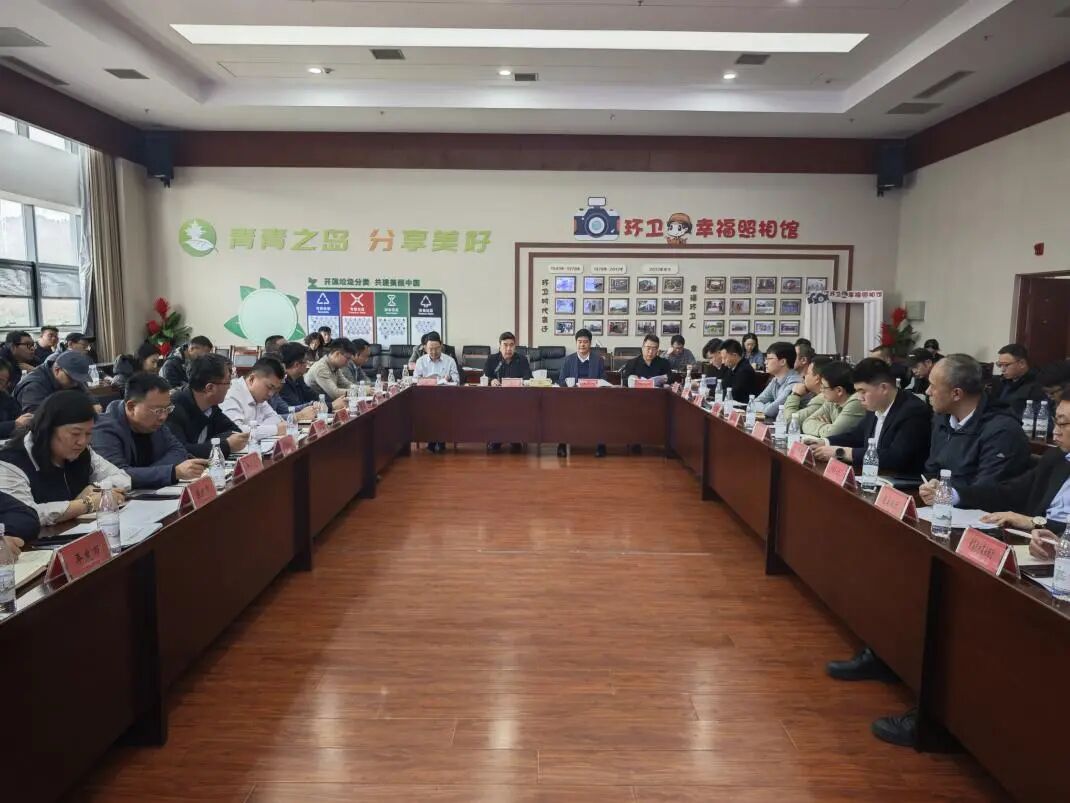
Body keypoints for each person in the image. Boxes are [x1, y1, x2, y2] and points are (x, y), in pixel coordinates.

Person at [924, 384, 1069, 537]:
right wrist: (951, 494)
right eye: (1055, 421)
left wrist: (1033, 522)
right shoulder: (1056, 458)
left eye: (1063, 424)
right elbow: (1009, 492)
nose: (1055, 431)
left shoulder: (1002, 428)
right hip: (1038, 542)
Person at [0, 390, 131, 525]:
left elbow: (122, 477)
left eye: (88, 434)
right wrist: (87, 503)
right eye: (75, 433)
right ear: (48, 429)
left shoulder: (82, 451)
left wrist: (96, 487)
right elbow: (25, 515)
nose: (82, 441)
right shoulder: (10, 463)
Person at [922, 353, 1031, 492]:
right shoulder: (942, 419)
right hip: (941, 500)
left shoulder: (1002, 431)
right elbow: (932, 469)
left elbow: (986, 491)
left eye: (933, 386)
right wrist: (930, 487)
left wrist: (946, 494)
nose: (927, 392)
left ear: (956, 394)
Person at [813, 358, 931, 474]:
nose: (859, 398)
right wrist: (824, 442)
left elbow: (895, 457)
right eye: (857, 392)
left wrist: (842, 452)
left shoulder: (913, 411)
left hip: (901, 481)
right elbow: (856, 436)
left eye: (863, 391)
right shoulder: (875, 406)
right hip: (873, 475)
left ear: (883, 388)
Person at [91, 373, 204, 489]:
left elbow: (179, 451)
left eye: (167, 409)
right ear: (131, 407)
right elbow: (118, 475)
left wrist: (148, 473)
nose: (163, 416)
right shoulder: (103, 429)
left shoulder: (153, 423)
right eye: (158, 410)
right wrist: (172, 472)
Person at [165, 354, 249, 460]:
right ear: (210, 388)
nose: (229, 387)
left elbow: (234, 431)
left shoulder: (211, 407)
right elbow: (180, 452)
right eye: (228, 383)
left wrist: (208, 446)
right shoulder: (173, 409)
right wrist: (224, 445)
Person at [556, 329, 607, 459]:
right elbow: (561, 381)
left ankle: (601, 445)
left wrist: (596, 385)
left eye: (585, 342)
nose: (582, 344)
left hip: (593, 398)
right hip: (572, 397)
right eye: (579, 342)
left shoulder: (598, 360)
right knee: (562, 410)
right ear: (576, 343)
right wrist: (569, 384)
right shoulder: (568, 360)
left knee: (602, 410)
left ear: (590, 343)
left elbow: (604, 380)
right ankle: (562, 444)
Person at [484, 332, 534, 454]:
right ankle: (496, 439)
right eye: (505, 345)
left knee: (516, 409)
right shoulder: (492, 359)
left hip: (517, 399)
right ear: (499, 346)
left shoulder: (522, 360)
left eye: (511, 345)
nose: (508, 348)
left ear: (515, 346)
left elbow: (528, 378)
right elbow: (485, 377)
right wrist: (491, 380)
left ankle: (515, 438)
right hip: (496, 399)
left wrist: (523, 382)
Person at [221, 357, 288, 441]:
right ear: (252, 379)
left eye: (275, 389)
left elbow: (276, 418)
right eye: (269, 387)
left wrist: (256, 429)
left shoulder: (258, 396)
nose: (271, 394)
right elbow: (236, 433)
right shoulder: (231, 394)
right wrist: (275, 429)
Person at [794, 361, 865, 439]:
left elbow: (832, 434)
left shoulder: (856, 402)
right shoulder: (831, 401)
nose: (821, 390)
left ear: (839, 391)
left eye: (824, 387)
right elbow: (806, 423)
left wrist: (828, 429)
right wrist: (827, 427)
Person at [414, 333, 459, 454]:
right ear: (425, 348)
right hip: (425, 398)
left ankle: (437, 441)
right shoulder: (420, 361)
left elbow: (457, 380)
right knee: (430, 409)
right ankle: (434, 441)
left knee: (440, 409)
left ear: (441, 346)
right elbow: (415, 380)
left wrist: (449, 377)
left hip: (445, 397)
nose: (433, 352)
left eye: (436, 348)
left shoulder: (450, 361)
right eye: (430, 349)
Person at [14, 350, 93, 414]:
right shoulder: (34, 387)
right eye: (72, 378)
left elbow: (86, 394)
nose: (76, 383)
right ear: (57, 370)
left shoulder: (71, 379)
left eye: (79, 379)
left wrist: (93, 404)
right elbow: (38, 418)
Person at [753, 341, 803, 421]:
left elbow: (771, 411)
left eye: (769, 359)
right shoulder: (775, 379)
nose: (765, 362)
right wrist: (769, 405)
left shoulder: (794, 383)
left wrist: (767, 405)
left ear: (782, 362)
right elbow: (755, 402)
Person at [989, 343, 1043, 416]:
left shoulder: (1036, 384)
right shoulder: (1001, 381)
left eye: (1006, 365)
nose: (1002, 370)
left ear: (1022, 363)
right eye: (1000, 365)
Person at [780, 357, 829, 431]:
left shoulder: (821, 400)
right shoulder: (813, 395)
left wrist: (795, 395)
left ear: (817, 379)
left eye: (807, 373)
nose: (804, 376)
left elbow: (789, 423)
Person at [277, 342, 320, 413]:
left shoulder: (298, 377)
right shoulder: (282, 382)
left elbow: (313, 396)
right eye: (305, 361)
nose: (308, 364)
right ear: (296, 365)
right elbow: (295, 406)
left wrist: (329, 404)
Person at [0, 359, 31, 439]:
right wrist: (14, 424)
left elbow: (19, 417)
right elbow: (17, 422)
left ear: (6, 385)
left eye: (1, 382)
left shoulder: (6, 399)